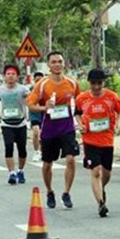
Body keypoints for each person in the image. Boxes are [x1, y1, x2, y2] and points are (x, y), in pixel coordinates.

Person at [26, 51, 81, 209]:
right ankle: (50, 191)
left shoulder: (72, 83)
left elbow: (80, 101)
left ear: (64, 63)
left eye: (60, 61)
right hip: (49, 129)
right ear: (49, 65)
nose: (57, 64)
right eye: (54, 62)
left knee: (70, 159)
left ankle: (66, 192)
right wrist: (44, 107)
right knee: (47, 164)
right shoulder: (42, 84)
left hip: (67, 127)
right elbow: (30, 104)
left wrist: (81, 120)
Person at [75, 69, 120, 217]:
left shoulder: (111, 97)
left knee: (107, 173)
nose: (96, 87)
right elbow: (77, 113)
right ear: (89, 83)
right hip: (90, 140)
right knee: (95, 171)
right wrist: (80, 124)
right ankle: (101, 203)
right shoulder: (82, 98)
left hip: (107, 140)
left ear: (103, 83)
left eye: (99, 83)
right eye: (93, 83)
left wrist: (118, 124)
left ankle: (100, 188)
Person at [28, 71, 45, 162]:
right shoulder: (30, 89)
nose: (38, 82)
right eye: (37, 80)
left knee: (43, 134)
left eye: (40, 80)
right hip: (34, 113)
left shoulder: (47, 89)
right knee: (36, 131)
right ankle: (36, 151)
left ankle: (43, 151)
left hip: (44, 113)